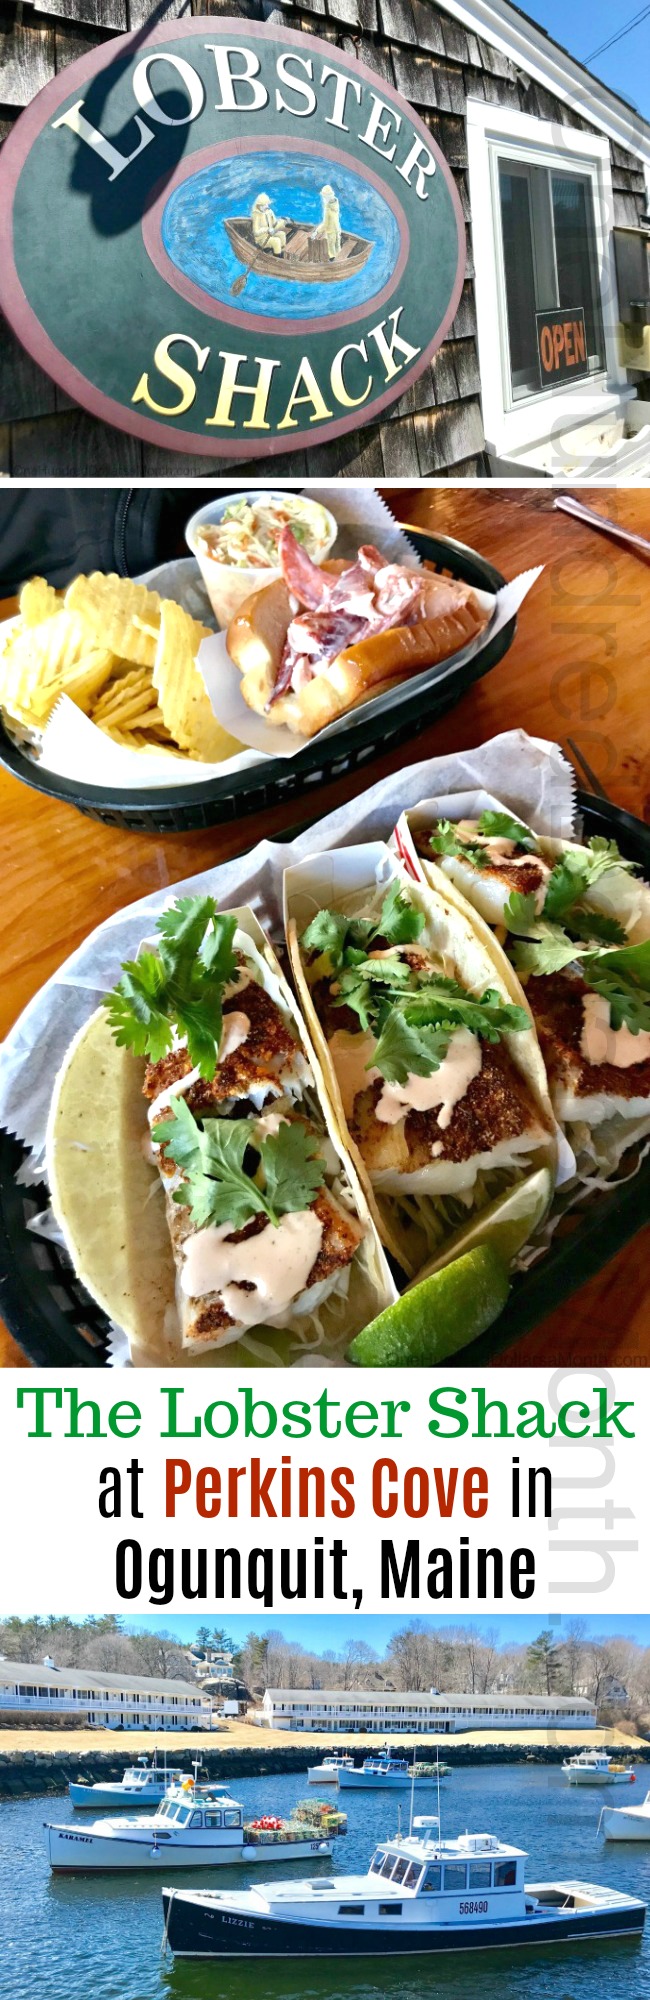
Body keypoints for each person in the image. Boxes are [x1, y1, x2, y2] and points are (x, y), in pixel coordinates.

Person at [250, 193, 287, 257]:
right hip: (261, 239)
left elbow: (275, 224)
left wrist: (282, 222)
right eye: (264, 205)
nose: (267, 206)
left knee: (282, 234)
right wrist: (267, 230)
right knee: (276, 241)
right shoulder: (256, 215)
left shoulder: (269, 212)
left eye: (267, 204)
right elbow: (256, 232)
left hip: (270, 235)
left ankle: (279, 252)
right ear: (259, 206)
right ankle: (277, 259)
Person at [311, 185, 342, 261]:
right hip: (337, 229)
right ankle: (340, 258)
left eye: (324, 196)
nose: (323, 198)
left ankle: (332, 262)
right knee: (337, 246)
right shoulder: (335, 203)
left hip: (331, 231)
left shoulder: (328, 209)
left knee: (331, 249)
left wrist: (317, 231)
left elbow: (325, 224)